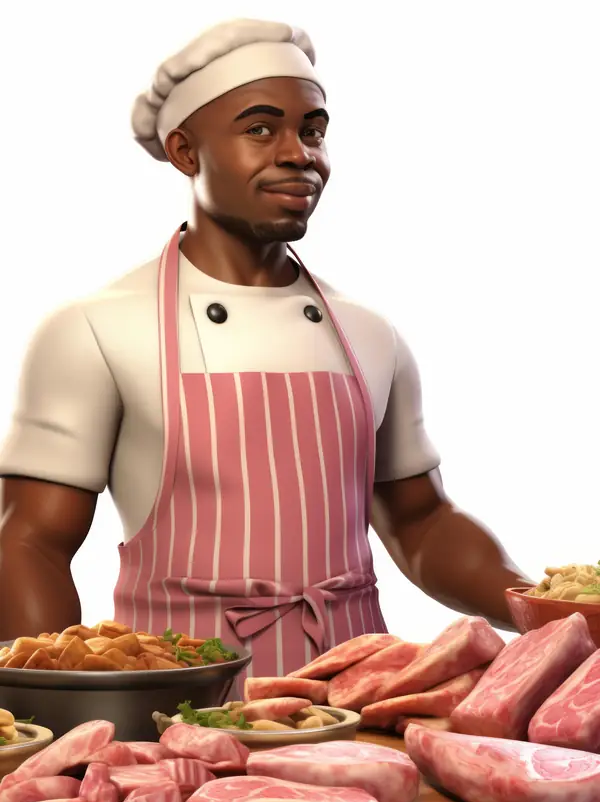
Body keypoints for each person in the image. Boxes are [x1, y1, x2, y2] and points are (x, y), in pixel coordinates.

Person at [0, 18, 532, 674]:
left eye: (312, 130)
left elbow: (422, 523)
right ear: (185, 152)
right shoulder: (95, 330)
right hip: (172, 706)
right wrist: (58, 715)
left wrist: (546, 608)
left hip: (354, 703)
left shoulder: (368, 334)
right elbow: (30, 543)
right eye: (260, 129)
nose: (297, 153)